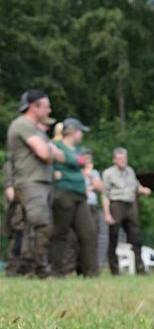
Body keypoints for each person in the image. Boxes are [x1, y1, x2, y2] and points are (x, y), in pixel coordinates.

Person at [7, 90, 70, 278]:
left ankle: (29, 268)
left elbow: (62, 156)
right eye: (46, 106)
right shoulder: (22, 125)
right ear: (34, 107)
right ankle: (39, 270)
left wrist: (49, 151)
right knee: (40, 225)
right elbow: (45, 153)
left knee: (34, 226)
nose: (49, 110)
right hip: (30, 181)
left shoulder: (36, 129)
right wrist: (50, 151)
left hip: (41, 182)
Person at [49, 118, 98, 277]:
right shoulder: (56, 146)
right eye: (80, 131)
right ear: (71, 131)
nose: (81, 134)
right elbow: (53, 166)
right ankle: (55, 271)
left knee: (89, 232)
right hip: (63, 193)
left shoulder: (77, 150)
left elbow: (82, 162)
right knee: (60, 233)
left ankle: (91, 272)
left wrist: (69, 165)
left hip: (80, 194)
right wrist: (72, 165)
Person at [101, 147, 152, 275]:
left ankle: (140, 267)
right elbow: (105, 194)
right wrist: (107, 213)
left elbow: (136, 185)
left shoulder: (130, 171)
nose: (123, 161)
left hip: (130, 204)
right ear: (114, 160)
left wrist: (143, 190)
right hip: (116, 204)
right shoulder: (108, 173)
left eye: (125, 158)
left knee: (136, 237)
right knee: (114, 237)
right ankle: (114, 269)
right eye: (120, 159)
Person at [81, 149, 106, 273]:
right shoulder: (77, 172)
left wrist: (90, 176)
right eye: (85, 159)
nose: (88, 161)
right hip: (81, 205)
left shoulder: (94, 173)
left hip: (92, 205)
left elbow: (101, 188)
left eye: (89, 159)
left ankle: (92, 267)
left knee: (93, 235)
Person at [3, 159, 23, 276]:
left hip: (28, 204)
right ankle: (12, 268)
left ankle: (23, 267)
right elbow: (9, 187)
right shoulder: (11, 163)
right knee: (18, 236)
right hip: (17, 206)